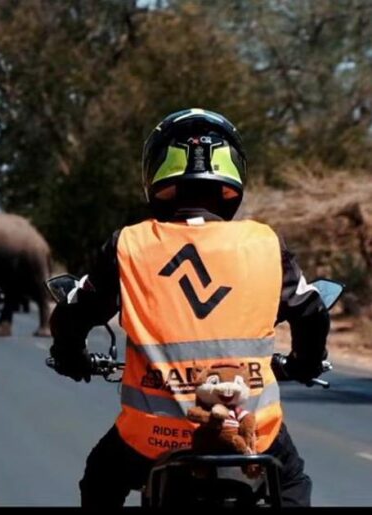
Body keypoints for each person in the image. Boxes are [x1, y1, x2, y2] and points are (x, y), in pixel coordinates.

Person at [49, 108, 330, 508]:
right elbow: (312, 311)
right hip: (250, 434)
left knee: (100, 480)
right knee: (293, 483)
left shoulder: (129, 244)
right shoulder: (264, 243)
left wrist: (69, 356)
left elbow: (74, 314)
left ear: (157, 174)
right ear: (232, 174)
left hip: (148, 439)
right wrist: (305, 363)